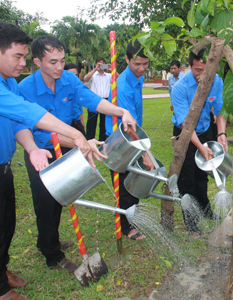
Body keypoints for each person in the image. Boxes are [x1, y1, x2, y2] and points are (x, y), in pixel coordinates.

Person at [19, 35, 137, 273]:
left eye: (62, 61)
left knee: (63, 194)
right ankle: (52, 253)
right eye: (53, 62)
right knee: (45, 201)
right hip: (40, 150)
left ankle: (48, 239)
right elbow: (33, 128)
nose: (59, 67)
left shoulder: (69, 80)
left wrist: (122, 111)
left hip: (66, 145)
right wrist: (77, 140)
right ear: (37, 61)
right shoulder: (25, 89)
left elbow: (93, 101)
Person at [0, 22, 98, 300]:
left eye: (23, 56)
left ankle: (3, 270)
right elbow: (28, 112)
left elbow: (20, 122)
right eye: (17, 57)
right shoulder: (17, 87)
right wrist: (76, 136)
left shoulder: (7, 82)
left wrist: (31, 148)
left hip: (6, 165)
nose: (22, 63)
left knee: (7, 224)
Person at [171, 48, 227, 235]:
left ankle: (205, 210)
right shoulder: (180, 87)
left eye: (205, 70)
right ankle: (191, 223)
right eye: (197, 70)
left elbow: (219, 111)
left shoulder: (216, 81)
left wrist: (221, 134)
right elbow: (185, 124)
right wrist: (200, 147)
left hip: (206, 129)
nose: (202, 75)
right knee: (187, 179)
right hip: (185, 134)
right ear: (189, 66)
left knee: (204, 173)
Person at [105, 40, 155, 240]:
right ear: (126, 60)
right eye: (137, 64)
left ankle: (132, 217)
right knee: (125, 183)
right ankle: (126, 227)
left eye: (145, 63)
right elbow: (128, 125)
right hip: (122, 140)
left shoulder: (138, 78)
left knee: (135, 180)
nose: (142, 68)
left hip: (134, 136)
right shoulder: (123, 86)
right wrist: (145, 153)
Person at [84, 58, 112, 141]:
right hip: (94, 100)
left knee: (103, 123)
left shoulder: (108, 75)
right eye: (99, 64)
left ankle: (102, 141)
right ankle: (89, 140)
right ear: (96, 64)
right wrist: (95, 69)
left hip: (105, 100)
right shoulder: (93, 75)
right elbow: (85, 79)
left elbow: (118, 78)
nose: (101, 65)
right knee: (91, 122)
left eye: (103, 64)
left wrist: (112, 70)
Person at [64, 63, 85, 136]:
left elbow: (79, 107)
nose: (72, 78)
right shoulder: (60, 90)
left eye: (75, 75)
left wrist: (82, 122)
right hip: (66, 125)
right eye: (70, 74)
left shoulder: (77, 89)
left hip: (77, 123)